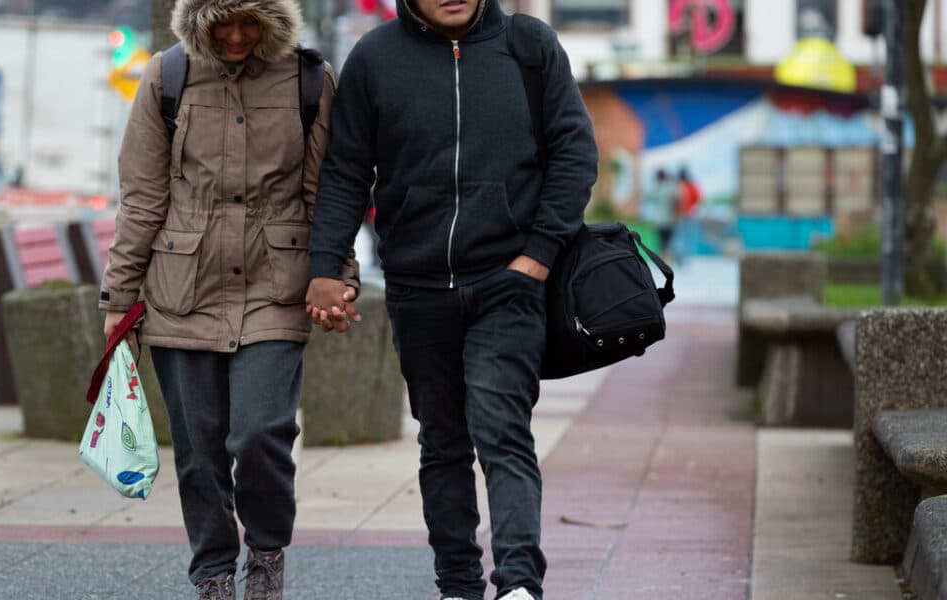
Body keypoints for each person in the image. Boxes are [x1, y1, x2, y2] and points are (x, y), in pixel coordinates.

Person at [304, 0, 598, 596]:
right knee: (442, 442)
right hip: (417, 288)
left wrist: (535, 258)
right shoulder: (375, 58)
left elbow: (575, 154)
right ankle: (457, 583)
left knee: (502, 428)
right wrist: (326, 267)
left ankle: (519, 582)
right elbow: (345, 172)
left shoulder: (530, 46)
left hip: (507, 282)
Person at [98, 0, 357, 596]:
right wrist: (119, 297)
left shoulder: (309, 80)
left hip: (276, 284)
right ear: (199, 21)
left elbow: (329, 190)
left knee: (262, 433)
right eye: (223, 23)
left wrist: (337, 276)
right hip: (181, 289)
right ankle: (213, 572)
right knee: (199, 452)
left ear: (274, 22)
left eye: (251, 23)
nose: (237, 36)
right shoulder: (167, 77)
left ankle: (265, 554)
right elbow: (141, 196)